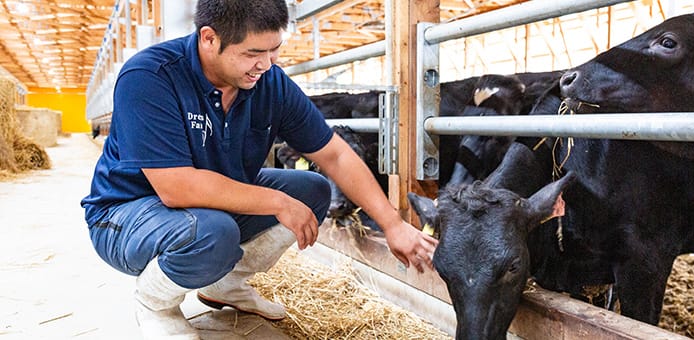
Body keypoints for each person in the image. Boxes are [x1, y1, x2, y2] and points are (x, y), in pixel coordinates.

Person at [80, 0, 439, 338]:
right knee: (213, 232)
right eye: (253, 53)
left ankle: (225, 285)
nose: (266, 64)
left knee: (313, 190)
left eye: (274, 50)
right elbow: (176, 187)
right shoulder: (151, 76)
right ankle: (155, 303)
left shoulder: (269, 82)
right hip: (126, 213)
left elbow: (335, 155)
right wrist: (278, 203)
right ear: (209, 38)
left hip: (207, 202)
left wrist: (393, 224)